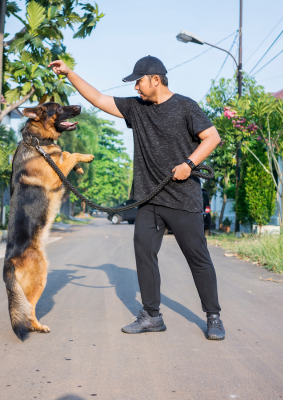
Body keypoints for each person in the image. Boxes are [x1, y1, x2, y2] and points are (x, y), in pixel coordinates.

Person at [48, 55, 225, 341]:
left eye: (139, 81)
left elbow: (212, 137)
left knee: (198, 258)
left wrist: (189, 164)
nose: (136, 88)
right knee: (144, 253)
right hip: (149, 199)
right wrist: (69, 73)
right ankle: (152, 316)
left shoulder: (185, 106)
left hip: (183, 198)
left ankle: (213, 316)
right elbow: (97, 98)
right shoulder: (136, 108)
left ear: (156, 79)